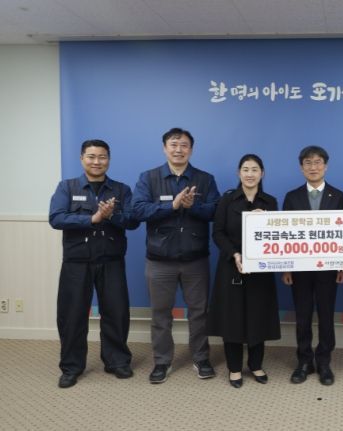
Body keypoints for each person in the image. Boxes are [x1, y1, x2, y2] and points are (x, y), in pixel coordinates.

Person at [132, 127, 220, 384]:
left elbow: (215, 211)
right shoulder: (148, 178)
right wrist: (171, 205)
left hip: (195, 259)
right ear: (164, 148)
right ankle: (162, 361)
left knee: (199, 313)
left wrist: (194, 207)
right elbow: (138, 210)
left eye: (184, 145)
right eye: (173, 144)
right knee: (160, 314)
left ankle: (201, 358)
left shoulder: (205, 179)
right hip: (160, 260)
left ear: (191, 149)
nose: (178, 149)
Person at [49, 139, 139, 388]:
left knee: (116, 313)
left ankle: (116, 361)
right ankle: (71, 366)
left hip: (111, 260)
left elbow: (133, 220)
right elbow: (56, 218)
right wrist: (93, 218)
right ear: (82, 158)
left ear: (108, 159)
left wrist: (112, 215)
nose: (97, 161)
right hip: (77, 262)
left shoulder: (121, 189)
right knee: (72, 315)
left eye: (102, 157)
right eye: (91, 156)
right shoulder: (67, 187)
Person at [208, 154, 281, 388]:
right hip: (232, 266)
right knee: (233, 318)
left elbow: (278, 235)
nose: (250, 174)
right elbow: (218, 233)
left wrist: (267, 220)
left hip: (261, 269)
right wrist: (235, 254)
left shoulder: (270, 202)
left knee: (258, 316)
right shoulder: (227, 200)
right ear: (239, 173)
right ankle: (234, 368)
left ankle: (256, 365)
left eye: (255, 169)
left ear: (262, 173)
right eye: (246, 169)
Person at [282, 146, 343, 386]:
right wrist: (286, 267)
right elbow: (286, 235)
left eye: (318, 162)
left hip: (328, 268)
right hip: (299, 269)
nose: (313, 167)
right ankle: (304, 361)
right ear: (302, 168)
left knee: (327, 315)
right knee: (302, 316)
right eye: (308, 163)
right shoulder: (292, 197)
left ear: (325, 166)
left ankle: (324, 361)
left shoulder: (338, 196)